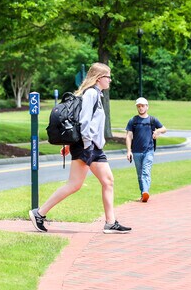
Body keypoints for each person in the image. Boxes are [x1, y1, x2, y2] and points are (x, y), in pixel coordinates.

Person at [29, 62, 132, 234]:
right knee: (82, 183)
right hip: (88, 146)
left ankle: (110, 222)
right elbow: (84, 122)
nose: (110, 80)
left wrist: (76, 145)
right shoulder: (91, 94)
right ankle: (39, 213)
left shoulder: (96, 95)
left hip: (91, 146)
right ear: (99, 78)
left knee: (101, 182)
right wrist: (86, 146)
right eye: (108, 76)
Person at [125, 97, 167, 202]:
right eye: (139, 106)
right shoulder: (133, 120)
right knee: (140, 174)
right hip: (136, 151)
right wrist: (129, 151)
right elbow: (129, 136)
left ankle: (145, 191)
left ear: (147, 107)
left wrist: (157, 132)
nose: (141, 108)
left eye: (143, 106)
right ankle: (143, 193)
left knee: (145, 172)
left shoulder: (152, 120)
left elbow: (164, 129)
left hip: (149, 150)